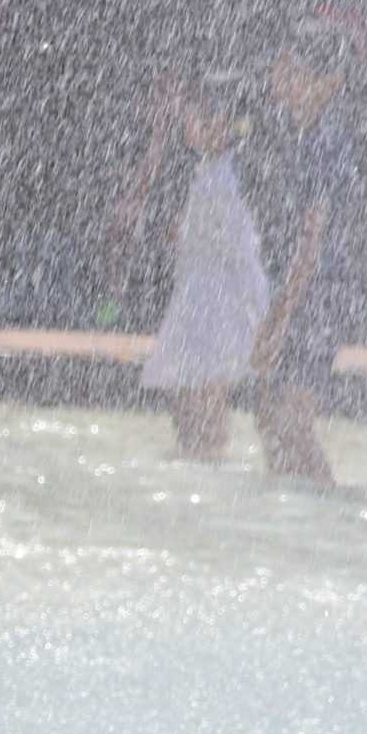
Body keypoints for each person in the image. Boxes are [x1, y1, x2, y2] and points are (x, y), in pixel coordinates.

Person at [235, 29, 361, 482]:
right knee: (269, 419)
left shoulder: (325, 141)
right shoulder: (302, 137)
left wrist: (279, 318)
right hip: (305, 290)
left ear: (329, 82)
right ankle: (291, 507)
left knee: (290, 420)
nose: (280, 78)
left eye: (294, 70)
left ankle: (327, 506)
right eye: (279, 67)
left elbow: (311, 242)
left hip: (320, 295)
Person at [142, 81, 267, 454]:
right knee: (188, 398)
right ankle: (202, 462)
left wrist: (260, 312)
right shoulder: (211, 171)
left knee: (199, 397)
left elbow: (242, 250)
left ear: (219, 121)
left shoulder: (223, 181)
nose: (186, 122)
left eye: (193, 116)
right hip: (198, 299)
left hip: (212, 305)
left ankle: (207, 463)